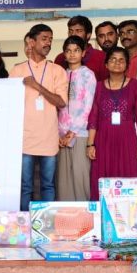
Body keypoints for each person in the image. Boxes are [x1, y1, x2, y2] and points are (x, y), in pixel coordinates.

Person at [9, 24, 68, 210]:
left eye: (50, 39)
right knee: (25, 186)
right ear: (31, 42)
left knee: (48, 185)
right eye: (44, 38)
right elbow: (10, 104)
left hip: (49, 137)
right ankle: (25, 224)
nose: (48, 43)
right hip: (24, 137)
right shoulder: (17, 70)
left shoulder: (57, 70)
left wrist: (37, 86)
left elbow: (61, 102)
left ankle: (47, 223)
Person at [87, 48, 137, 201]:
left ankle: (130, 220)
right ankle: (104, 218)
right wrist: (90, 144)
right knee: (102, 178)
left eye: (121, 60)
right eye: (113, 59)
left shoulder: (135, 85)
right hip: (103, 139)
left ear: (127, 65)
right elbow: (93, 116)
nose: (117, 63)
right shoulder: (99, 86)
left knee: (128, 178)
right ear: (106, 64)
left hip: (127, 138)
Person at [56, 36, 96, 201]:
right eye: (68, 51)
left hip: (79, 133)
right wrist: (59, 133)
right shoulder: (61, 75)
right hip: (61, 134)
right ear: (64, 54)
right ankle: (67, 216)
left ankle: (85, 217)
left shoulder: (88, 75)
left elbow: (88, 106)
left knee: (81, 177)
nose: (72, 54)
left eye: (76, 50)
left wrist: (72, 131)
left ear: (83, 53)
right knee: (63, 179)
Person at [55, 16, 107, 81]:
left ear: (88, 35)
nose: (73, 34)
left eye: (78, 31)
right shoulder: (60, 58)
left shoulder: (102, 57)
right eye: (70, 31)